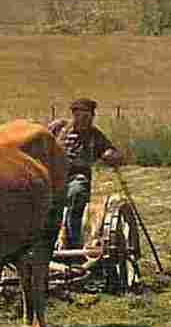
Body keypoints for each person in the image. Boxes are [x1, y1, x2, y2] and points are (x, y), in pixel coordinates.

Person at [48, 98, 123, 249]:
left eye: (87, 117)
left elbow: (111, 151)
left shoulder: (95, 136)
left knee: (76, 194)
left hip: (77, 177)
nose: (83, 121)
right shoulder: (58, 128)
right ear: (73, 115)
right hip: (52, 177)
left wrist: (111, 155)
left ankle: (73, 243)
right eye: (79, 116)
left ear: (92, 117)